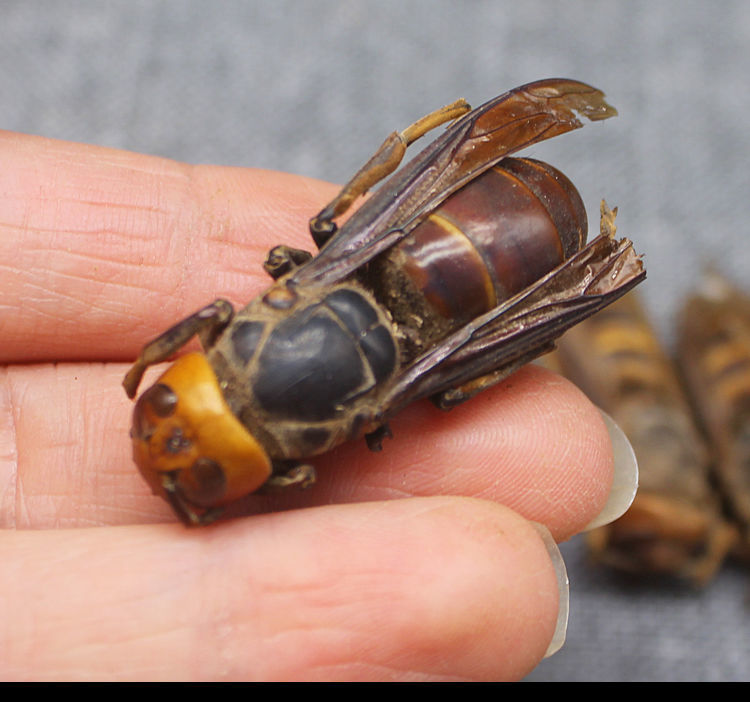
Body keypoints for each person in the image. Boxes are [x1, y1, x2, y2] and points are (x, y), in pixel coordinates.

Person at [0, 131, 635, 681]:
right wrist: (145, 364)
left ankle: (554, 309)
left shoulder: (321, 448)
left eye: (159, 397)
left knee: (451, 387)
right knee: (331, 229)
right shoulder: (253, 314)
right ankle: (428, 147)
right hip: (392, 256)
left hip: (436, 339)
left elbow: (301, 473)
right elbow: (214, 314)